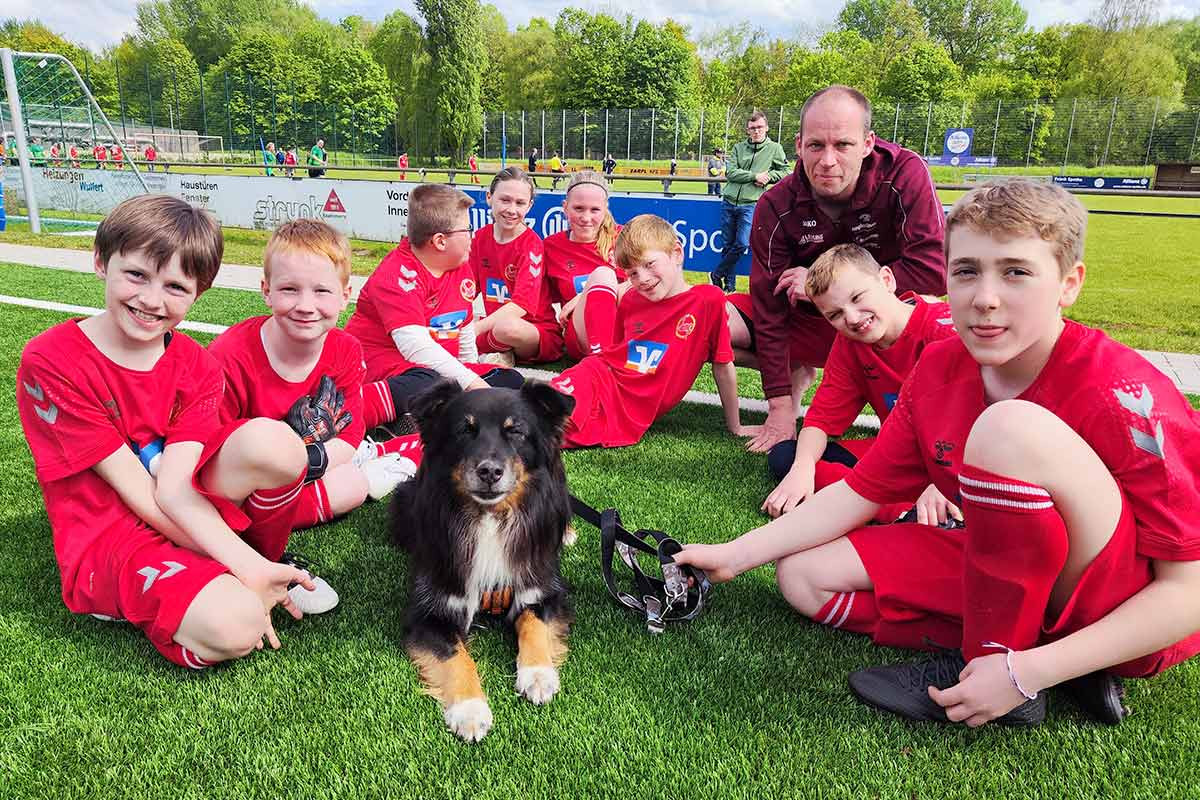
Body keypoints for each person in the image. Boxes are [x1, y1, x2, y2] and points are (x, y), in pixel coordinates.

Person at [675, 179, 1200, 728]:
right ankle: (1055, 662)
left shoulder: (1124, 389)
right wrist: (733, 555)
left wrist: (1024, 674)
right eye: (967, 271)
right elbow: (863, 492)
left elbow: (1187, 592)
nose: (985, 297)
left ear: (1069, 285)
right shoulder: (939, 367)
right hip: (1008, 568)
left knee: (1007, 428)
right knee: (802, 576)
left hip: (1117, 603)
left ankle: (1011, 669)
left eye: (1016, 271)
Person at [16, 194, 325, 670]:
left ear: (199, 292)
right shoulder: (52, 360)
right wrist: (243, 567)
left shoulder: (197, 366)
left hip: (182, 510)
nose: (152, 300)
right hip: (109, 537)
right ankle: (219, 583)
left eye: (176, 286)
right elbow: (142, 493)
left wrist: (252, 563)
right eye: (137, 275)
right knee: (236, 626)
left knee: (278, 444)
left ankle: (262, 566)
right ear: (101, 261)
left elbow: (177, 488)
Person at [746, 85, 947, 456]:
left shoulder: (904, 174)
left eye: (843, 145)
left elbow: (934, 271)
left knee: (942, 320)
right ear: (798, 144)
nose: (827, 160)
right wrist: (779, 406)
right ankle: (798, 379)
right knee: (719, 320)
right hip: (820, 323)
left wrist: (830, 286)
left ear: (869, 143)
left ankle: (927, 412)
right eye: (816, 145)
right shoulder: (775, 204)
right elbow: (768, 309)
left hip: (883, 319)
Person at [208, 219, 419, 553]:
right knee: (350, 486)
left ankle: (372, 456)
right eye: (290, 289)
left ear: (345, 296)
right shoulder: (229, 356)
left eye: (321, 290)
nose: (306, 306)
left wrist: (316, 460)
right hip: (244, 487)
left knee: (358, 475)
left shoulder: (346, 348)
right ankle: (370, 463)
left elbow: (349, 432)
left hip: (311, 463)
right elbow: (212, 466)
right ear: (266, 290)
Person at [758, 243, 958, 522]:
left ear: (887, 280)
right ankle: (905, 512)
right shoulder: (850, 343)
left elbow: (993, 421)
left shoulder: (945, 331)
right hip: (904, 458)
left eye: (857, 297)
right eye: (835, 315)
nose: (851, 318)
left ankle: (915, 508)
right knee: (789, 457)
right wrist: (802, 471)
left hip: (961, 461)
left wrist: (945, 480)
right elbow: (821, 420)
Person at [549, 214, 755, 448]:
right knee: (537, 422)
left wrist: (735, 426)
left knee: (540, 433)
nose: (643, 278)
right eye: (632, 273)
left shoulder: (708, 301)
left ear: (676, 253)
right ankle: (499, 380)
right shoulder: (630, 300)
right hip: (597, 382)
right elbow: (613, 358)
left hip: (628, 411)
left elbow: (723, 364)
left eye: (649, 264)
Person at [344, 184, 524, 425]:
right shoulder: (397, 275)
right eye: (467, 229)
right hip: (387, 370)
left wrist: (470, 369)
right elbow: (414, 347)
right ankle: (344, 413)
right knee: (428, 382)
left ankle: (426, 416)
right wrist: (471, 382)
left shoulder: (460, 267)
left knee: (510, 379)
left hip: (438, 371)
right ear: (440, 241)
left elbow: (464, 324)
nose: (473, 235)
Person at [470, 167, 562, 367]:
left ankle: (488, 348)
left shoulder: (532, 245)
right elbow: (466, 288)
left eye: (520, 203)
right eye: (505, 200)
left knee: (506, 328)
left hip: (534, 332)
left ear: (529, 206)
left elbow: (522, 306)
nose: (512, 210)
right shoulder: (480, 238)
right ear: (489, 197)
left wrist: (475, 330)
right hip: (494, 325)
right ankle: (502, 353)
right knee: (449, 326)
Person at [543, 170, 626, 361]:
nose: (586, 217)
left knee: (603, 275)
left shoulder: (624, 239)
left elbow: (648, 285)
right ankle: (603, 363)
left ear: (605, 209)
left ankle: (607, 361)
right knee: (604, 273)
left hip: (625, 331)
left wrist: (583, 295)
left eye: (595, 210)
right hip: (581, 337)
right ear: (565, 207)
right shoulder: (550, 247)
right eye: (578, 208)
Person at [707, 112, 788, 294]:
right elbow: (731, 173)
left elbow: (785, 172)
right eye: (752, 128)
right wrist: (754, 176)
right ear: (747, 130)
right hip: (728, 201)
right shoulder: (738, 148)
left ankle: (716, 274)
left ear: (766, 128)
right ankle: (729, 287)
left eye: (759, 127)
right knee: (727, 246)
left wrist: (768, 177)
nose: (756, 131)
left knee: (742, 244)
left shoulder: (775, 149)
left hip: (751, 204)